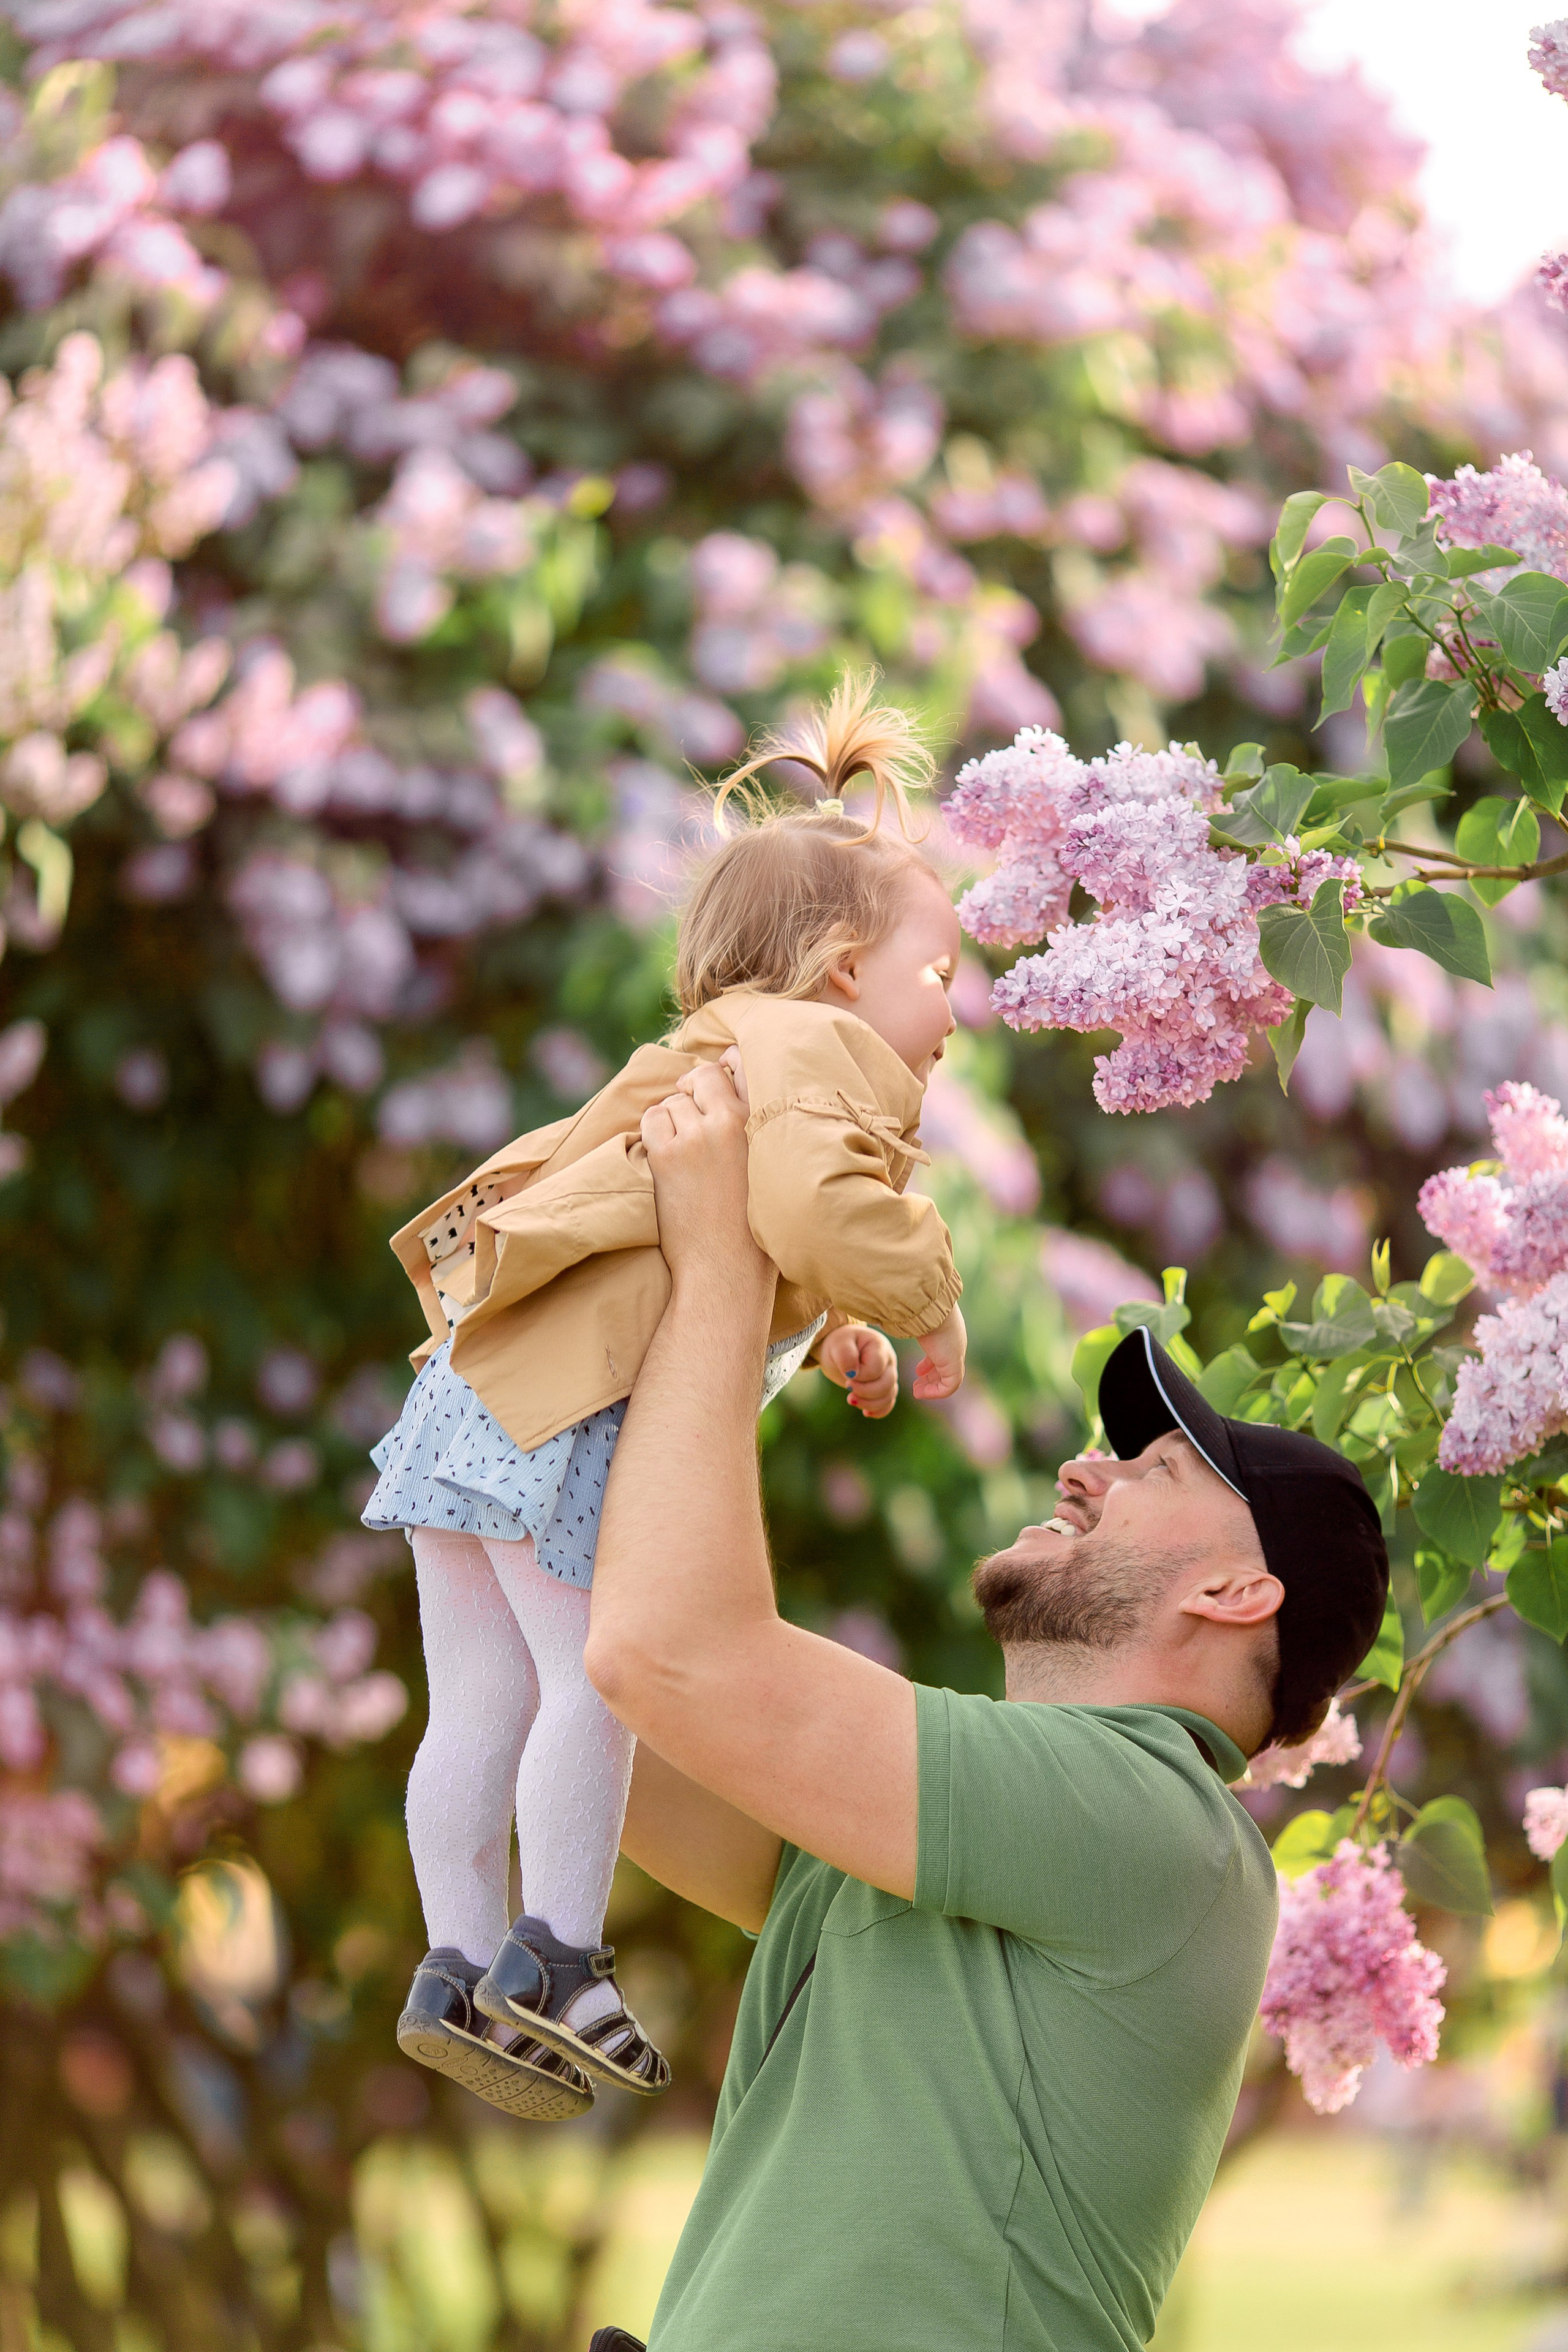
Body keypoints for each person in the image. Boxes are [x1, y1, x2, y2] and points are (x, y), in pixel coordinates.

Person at [573, 1061, 1390, 2352]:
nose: (1082, 1468)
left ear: (1238, 1589)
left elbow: (659, 1655)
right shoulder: (933, 1834)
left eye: (1151, 1466)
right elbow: (592, 1683)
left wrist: (721, 1258)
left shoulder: (1158, 1826)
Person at [372, 675, 970, 2116]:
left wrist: (824, 1332)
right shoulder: (819, 1051)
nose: (957, 1009)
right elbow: (818, 1210)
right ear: (840, 969)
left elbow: (709, 1228)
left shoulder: (718, 1049)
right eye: (940, 974)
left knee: (478, 1697)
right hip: (563, 1415)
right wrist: (921, 1296)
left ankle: (452, 1964)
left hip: (476, 1384)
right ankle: (558, 1954)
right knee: (600, 1669)